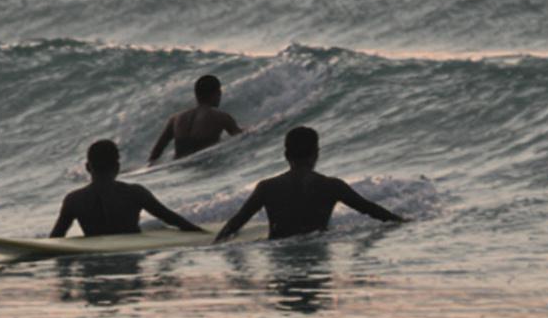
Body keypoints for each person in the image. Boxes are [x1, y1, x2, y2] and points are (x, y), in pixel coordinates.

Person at [213, 126, 405, 242]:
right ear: (316, 153)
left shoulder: (267, 187)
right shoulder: (332, 186)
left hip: (278, 250)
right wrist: (405, 223)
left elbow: (236, 223)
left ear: (286, 155)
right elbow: (373, 211)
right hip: (315, 248)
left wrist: (216, 245)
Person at [52, 139, 205, 238]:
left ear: (87, 167)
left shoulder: (73, 199)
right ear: (117, 166)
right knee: (159, 226)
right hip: (131, 253)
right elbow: (170, 218)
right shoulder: (134, 193)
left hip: (95, 251)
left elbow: (56, 238)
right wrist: (202, 233)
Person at [147, 74, 243, 164]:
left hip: (178, 168)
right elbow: (240, 139)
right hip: (203, 165)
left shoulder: (175, 119)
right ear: (217, 93)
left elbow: (156, 153)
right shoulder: (221, 117)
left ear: (196, 94)